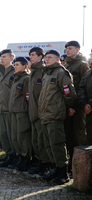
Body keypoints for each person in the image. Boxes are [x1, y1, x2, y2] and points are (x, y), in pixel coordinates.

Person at [38, 49, 76, 184]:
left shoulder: (61, 73)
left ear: (57, 59)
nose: (46, 59)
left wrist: (63, 108)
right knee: (49, 145)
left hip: (55, 115)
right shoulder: (47, 73)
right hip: (45, 114)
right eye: (46, 57)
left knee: (57, 144)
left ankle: (63, 172)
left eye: (50, 57)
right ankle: (55, 168)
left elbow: (69, 94)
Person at [63, 41, 89, 167]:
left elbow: (84, 86)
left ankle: (81, 164)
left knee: (79, 134)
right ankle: (72, 162)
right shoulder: (66, 66)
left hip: (78, 107)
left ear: (77, 50)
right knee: (69, 135)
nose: (67, 51)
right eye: (66, 49)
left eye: (70, 48)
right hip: (68, 107)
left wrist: (81, 104)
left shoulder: (82, 65)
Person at [27, 47, 51, 175]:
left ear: (40, 57)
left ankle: (45, 164)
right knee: (36, 139)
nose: (30, 57)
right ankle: (39, 162)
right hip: (33, 111)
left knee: (42, 139)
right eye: (30, 55)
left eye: (33, 55)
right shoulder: (33, 71)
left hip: (41, 112)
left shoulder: (43, 70)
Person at [8, 57, 31, 171]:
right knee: (15, 136)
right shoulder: (16, 78)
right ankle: (19, 157)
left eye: (17, 64)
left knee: (23, 136)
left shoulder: (26, 79)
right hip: (14, 111)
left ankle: (25, 158)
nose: (15, 66)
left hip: (22, 112)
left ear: (24, 66)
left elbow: (28, 97)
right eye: (14, 64)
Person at [0, 49, 16, 167]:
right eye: (1, 57)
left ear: (11, 58)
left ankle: (14, 156)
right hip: (1, 107)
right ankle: (8, 155)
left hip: (10, 107)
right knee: (3, 134)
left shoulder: (14, 72)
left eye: (4, 57)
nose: (2, 59)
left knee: (11, 133)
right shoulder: (1, 72)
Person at [78, 68, 92, 145]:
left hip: (89, 107)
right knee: (90, 137)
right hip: (88, 110)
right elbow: (81, 88)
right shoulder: (88, 73)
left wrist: (90, 105)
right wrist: (84, 104)